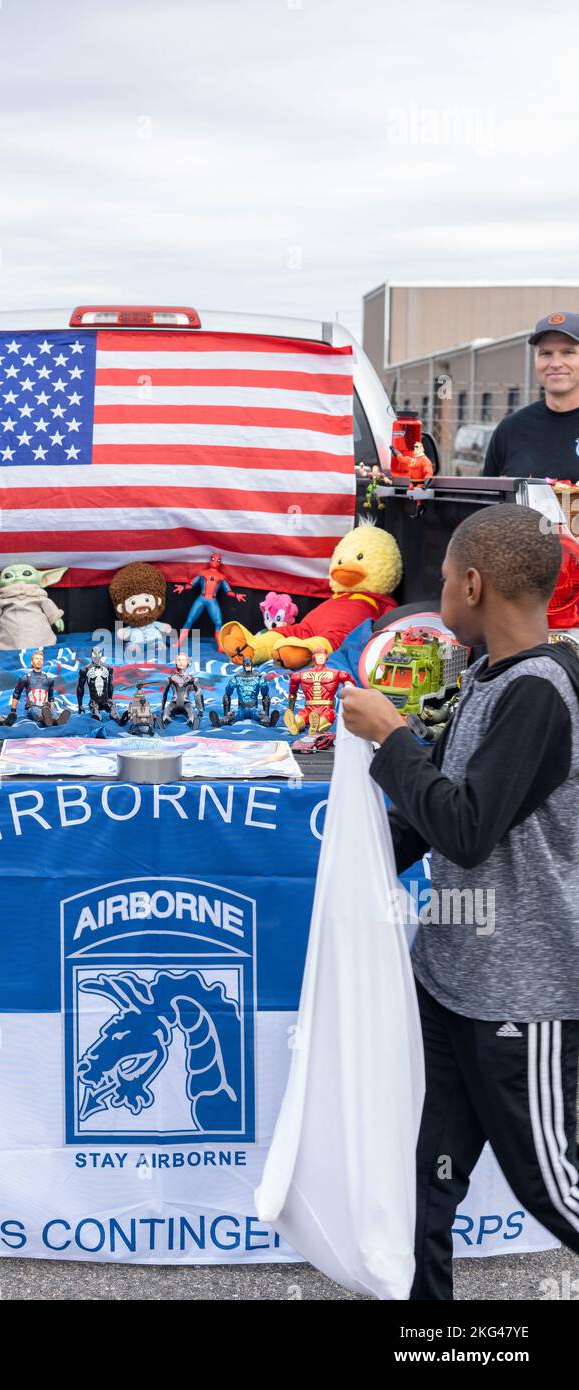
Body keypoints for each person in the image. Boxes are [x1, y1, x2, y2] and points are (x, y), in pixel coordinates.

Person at [341, 503, 579, 1301]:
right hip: (450, 978)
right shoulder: (486, 675)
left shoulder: (541, 692)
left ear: (472, 585)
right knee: (428, 1175)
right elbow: (431, 812)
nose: (438, 589)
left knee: (554, 1187)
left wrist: (391, 738)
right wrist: (354, 865)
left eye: (443, 577)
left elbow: (468, 829)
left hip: (524, 996)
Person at [484, 311, 579, 481]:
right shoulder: (510, 430)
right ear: (535, 360)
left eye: (568, 352)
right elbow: (488, 503)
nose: (556, 364)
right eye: (546, 353)